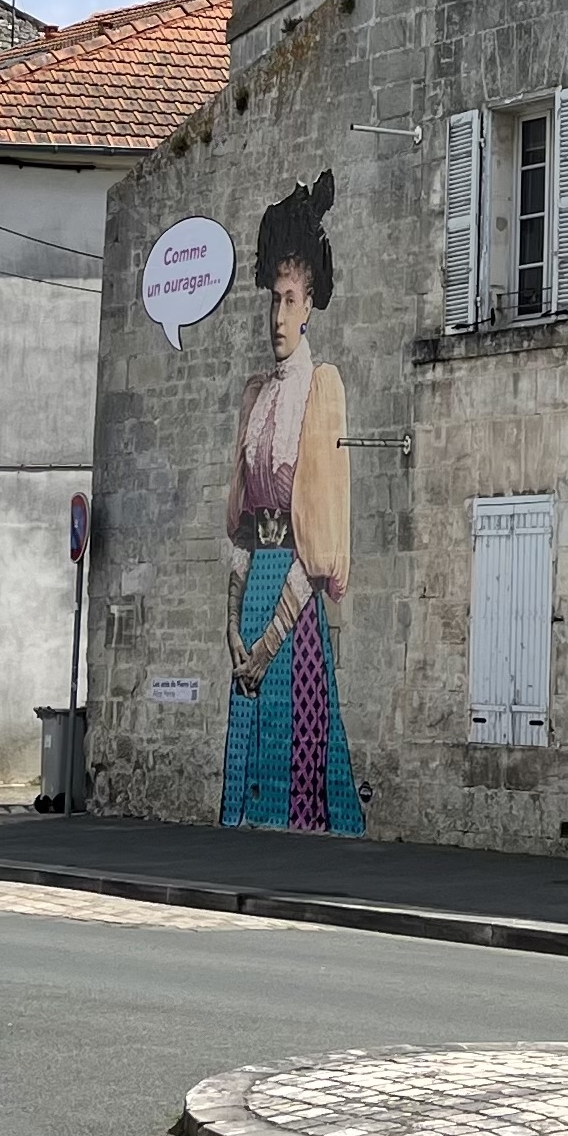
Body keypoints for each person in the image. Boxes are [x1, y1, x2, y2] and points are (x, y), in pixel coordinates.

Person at [220, 171, 362, 832]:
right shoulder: (255, 394)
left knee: (299, 745)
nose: (278, 318)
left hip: (294, 610)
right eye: (271, 302)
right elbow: (241, 526)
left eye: (289, 301)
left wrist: (269, 642)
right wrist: (233, 628)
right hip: (253, 592)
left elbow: (320, 537)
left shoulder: (321, 389)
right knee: (247, 749)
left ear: (308, 308)